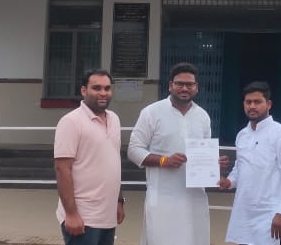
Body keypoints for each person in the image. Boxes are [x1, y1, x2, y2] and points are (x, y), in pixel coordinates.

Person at [128, 62, 228, 245]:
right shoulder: (152, 112)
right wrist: (163, 160)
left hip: (194, 199)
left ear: (197, 87)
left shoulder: (203, 116)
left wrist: (214, 165)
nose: (184, 88)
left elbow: (203, 155)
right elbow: (134, 150)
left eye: (189, 84)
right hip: (163, 198)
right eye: (179, 84)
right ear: (170, 85)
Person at [219, 82, 281, 245]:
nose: (252, 106)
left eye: (257, 102)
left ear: (268, 104)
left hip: (271, 213)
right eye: (248, 102)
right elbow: (240, 168)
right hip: (244, 213)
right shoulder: (242, 135)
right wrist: (228, 181)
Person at [54, 68, 125, 245]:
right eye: (96, 88)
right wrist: (71, 214)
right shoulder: (71, 122)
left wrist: (119, 200)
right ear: (83, 90)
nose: (103, 93)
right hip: (83, 217)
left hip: (107, 216)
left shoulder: (114, 119)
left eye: (107, 88)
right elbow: (62, 168)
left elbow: (113, 163)